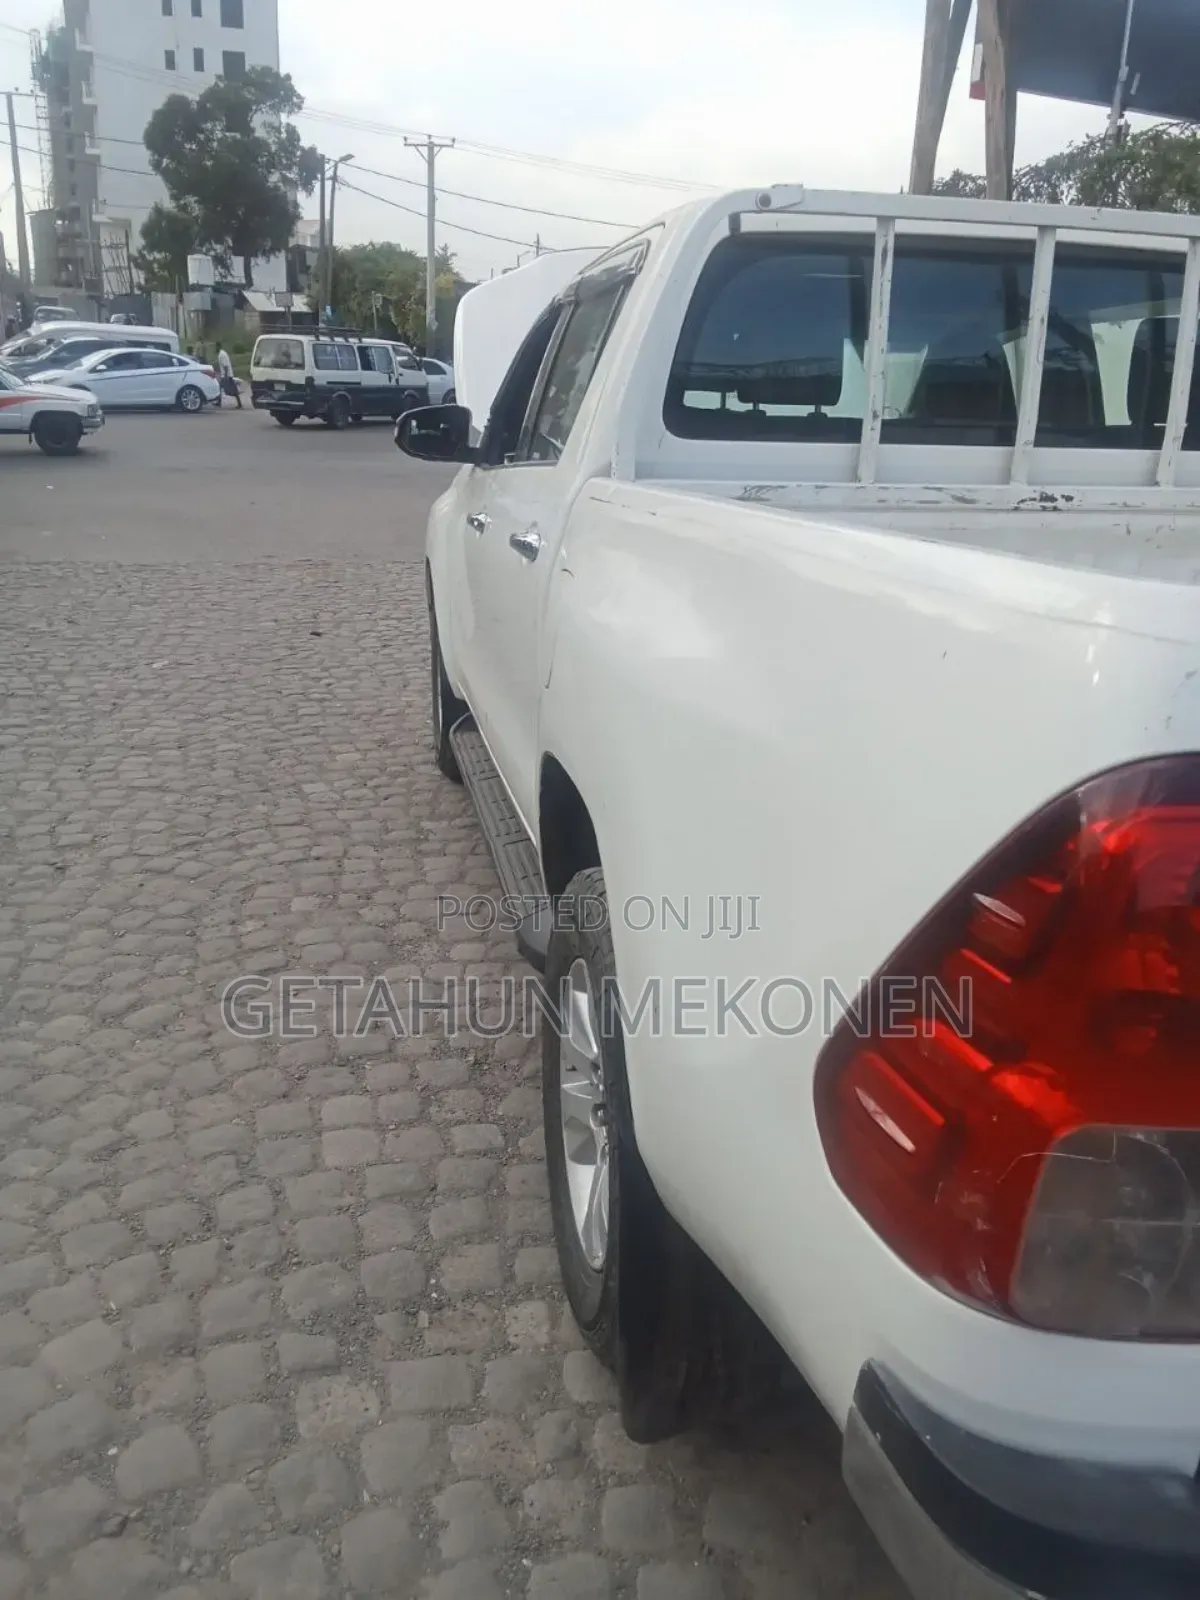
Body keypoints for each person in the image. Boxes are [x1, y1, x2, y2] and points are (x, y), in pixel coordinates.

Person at [215, 342, 242, 409]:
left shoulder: (222, 354)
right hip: (226, 375)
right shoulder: (222, 353)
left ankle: (239, 404)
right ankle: (219, 402)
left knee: (232, 390)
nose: (215, 349)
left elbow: (225, 366)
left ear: (218, 347)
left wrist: (226, 376)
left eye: (215, 347)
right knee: (220, 388)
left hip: (226, 375)